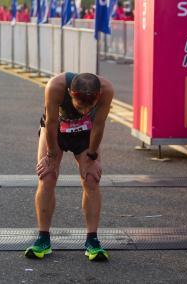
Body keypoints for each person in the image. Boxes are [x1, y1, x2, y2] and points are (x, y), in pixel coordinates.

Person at [24, 72, 114, 261]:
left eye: (89, 107)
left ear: (97, 96)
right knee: (47, 176)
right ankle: (43, 239)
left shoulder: (106, 90)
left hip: (85, 134)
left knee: (91, 179)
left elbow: (99, 125)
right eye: (80, 106)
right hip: (56, 131)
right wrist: (50, 155)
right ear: (70, 93)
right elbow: (50, 123)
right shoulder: (55, 86)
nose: (84, 111)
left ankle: (92, 240)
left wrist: (92, 156)